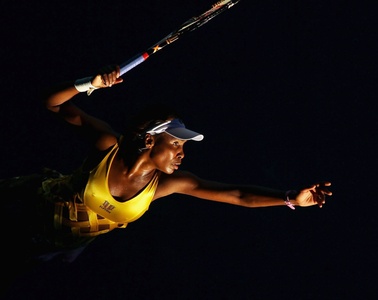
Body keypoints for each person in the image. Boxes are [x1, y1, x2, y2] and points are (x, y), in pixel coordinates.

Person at [1, 64, 332, 285]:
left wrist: (289, 199)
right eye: (176, 143)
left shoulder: (170, 184)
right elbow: (53, 103)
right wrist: (91, 83)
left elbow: (237, 195)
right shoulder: (106, 146)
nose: (182, 153)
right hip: (22, 206)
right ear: (149, 139)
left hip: (44, 246)